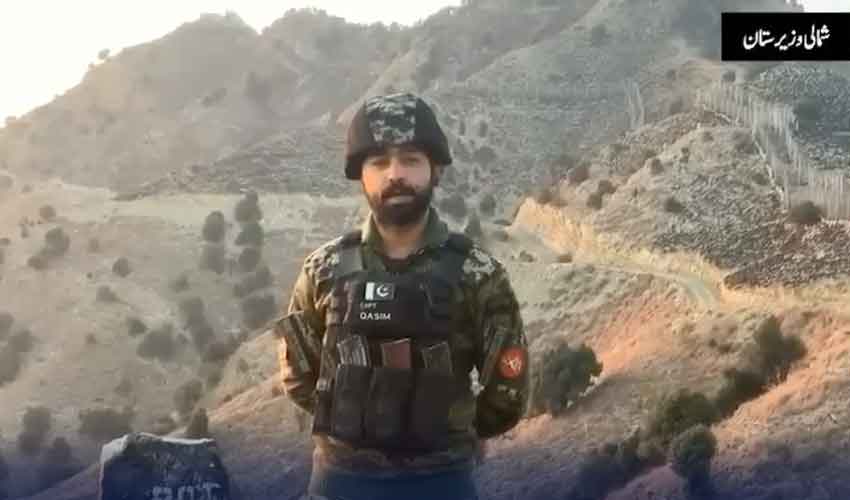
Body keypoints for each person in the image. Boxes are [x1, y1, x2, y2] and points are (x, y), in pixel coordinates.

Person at [274, 92, 528, 500]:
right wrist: (352, 424)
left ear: (435, 170)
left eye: (410, 159)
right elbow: (298, 375)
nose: (395, 174)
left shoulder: (479, 275)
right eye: (379, 162)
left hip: (441, 484)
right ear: (360, 174)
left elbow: (508, 393)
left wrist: (446, 436)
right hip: (340, 483)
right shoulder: (322, 270)